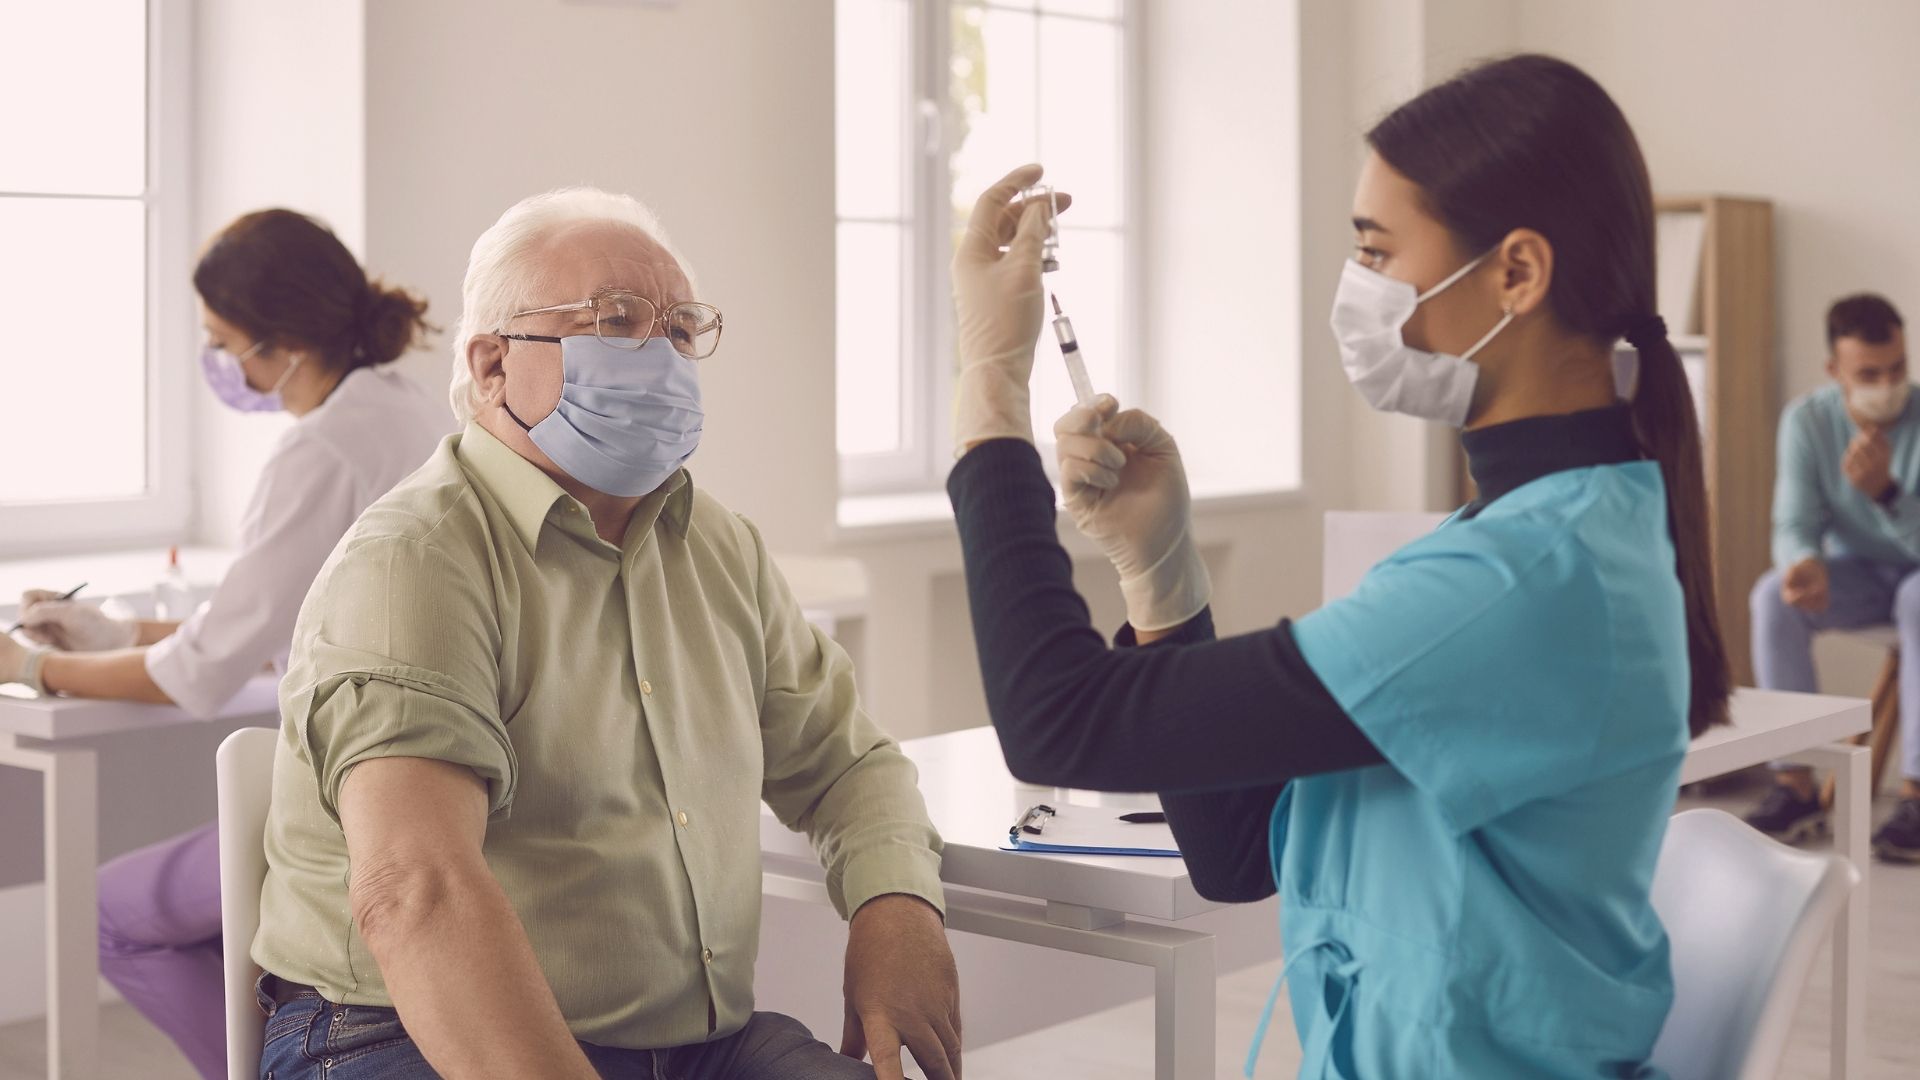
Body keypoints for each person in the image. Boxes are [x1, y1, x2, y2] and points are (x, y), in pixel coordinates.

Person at [944, 54, 1729, 1079]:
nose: (1357, 289)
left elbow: (1056, 719)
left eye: (1377, 251)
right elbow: (1238, 849)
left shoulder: (1520, 582)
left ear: (1517, 273)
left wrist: (990, 393)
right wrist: (1159, 568)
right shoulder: (1536, 538)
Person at [247, 187, 959, 1080]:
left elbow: (849, 766)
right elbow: (415, 893)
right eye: (616, 322)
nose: (658, 354)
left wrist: (895, 910)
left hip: (695, 1045)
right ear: (494, 364)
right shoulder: (417, 560)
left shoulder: (717, 546)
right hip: (404, 1030)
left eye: (680, 328)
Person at [0, 209, 447, 1079]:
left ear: (277, 341)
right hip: (432, 777)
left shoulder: (319, 450)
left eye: (220, 341)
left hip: (358, 802)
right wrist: (116, 633)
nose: (219, 363)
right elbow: (287, 618)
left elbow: (204, 672)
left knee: (108, 912)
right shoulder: (404, 410)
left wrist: (33, 666)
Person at [1745, 293, 1920, 860]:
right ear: (1834, 371)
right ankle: (1794, 785)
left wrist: (1888, 495)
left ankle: (1917, 797)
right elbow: (1793, 521)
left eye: (1897, 368)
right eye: (1869, 373)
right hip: (1862, 578)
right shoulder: (1808, 420)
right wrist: (1804, 565)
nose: (1886, 383)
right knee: (1773, 595)